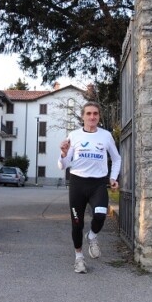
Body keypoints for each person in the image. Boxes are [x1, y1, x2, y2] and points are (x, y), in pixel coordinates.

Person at [58, 101, 121, 274]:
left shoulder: (106, 136)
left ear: (99, 116)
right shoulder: (74, 135)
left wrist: (113, 177)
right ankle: (79, 258)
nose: (92, 117)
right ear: (83, 116)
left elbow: (117, 158)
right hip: (78, 183)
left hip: (98, 183)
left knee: (100, 215)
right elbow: (63, 165)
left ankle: (92, 236)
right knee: (77, 223)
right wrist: (63, 153)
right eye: (89, 113)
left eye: (95, 113)